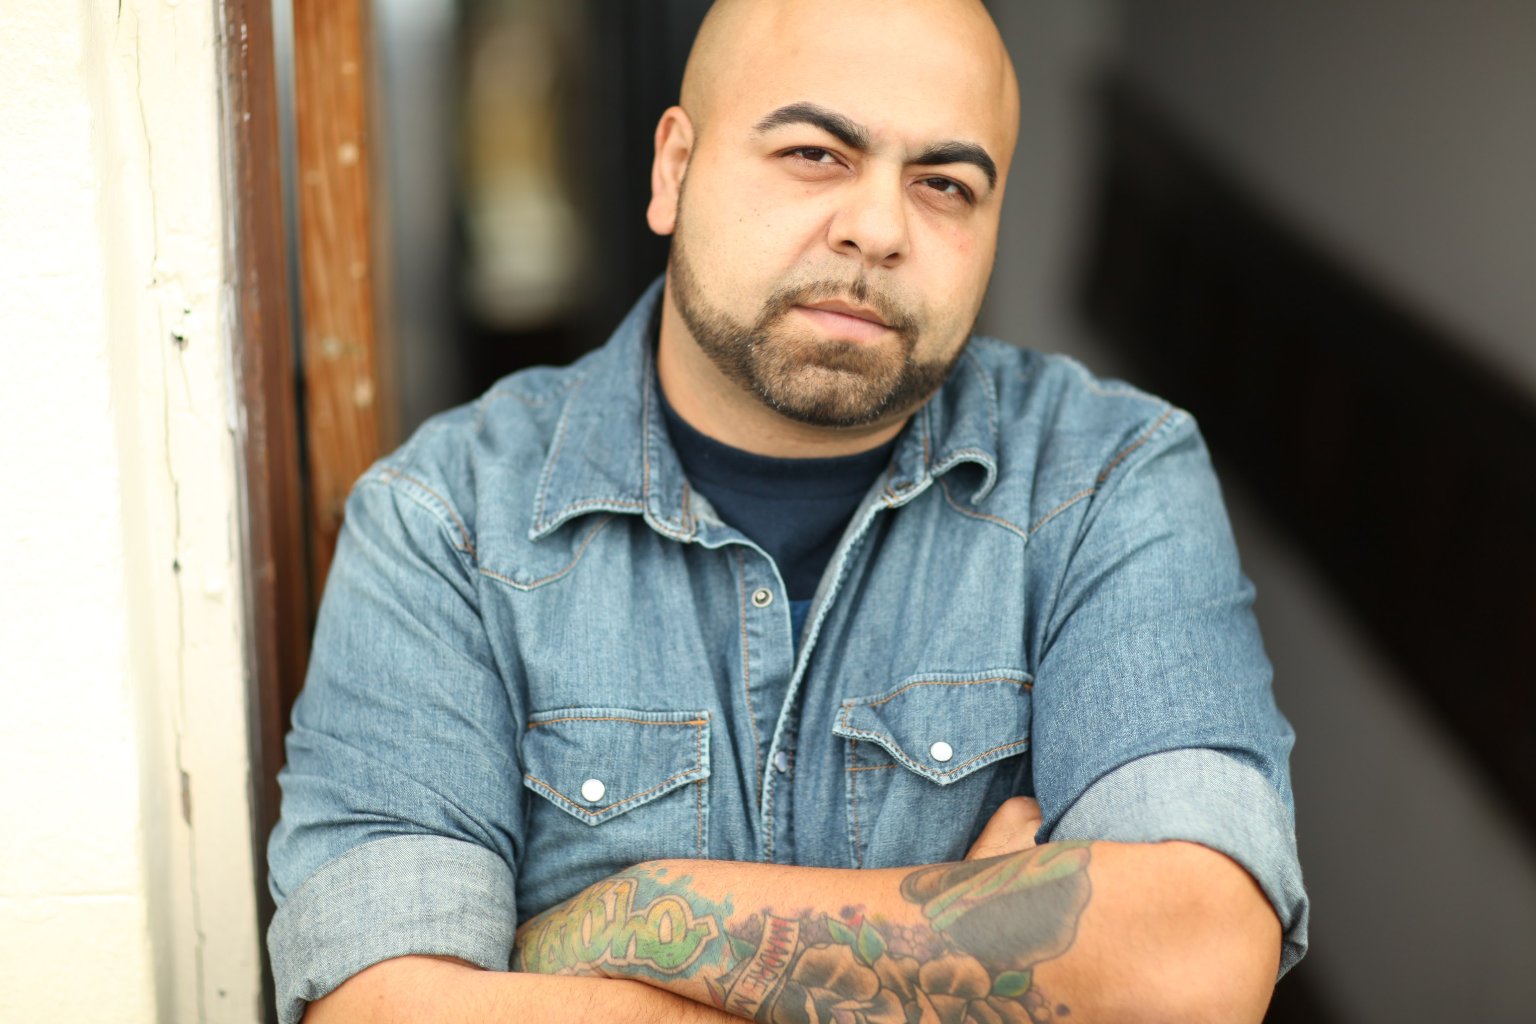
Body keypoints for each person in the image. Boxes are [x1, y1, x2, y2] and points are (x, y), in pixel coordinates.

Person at [267, 1, 1307, 1021]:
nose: (878, 229)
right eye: (815, 154)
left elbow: (1193, 962)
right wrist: (967, 960)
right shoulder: (446, 522)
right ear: (674, 169)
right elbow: (376, 1007)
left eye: (945, 184)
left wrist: (632, 919)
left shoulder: (1104, 476)